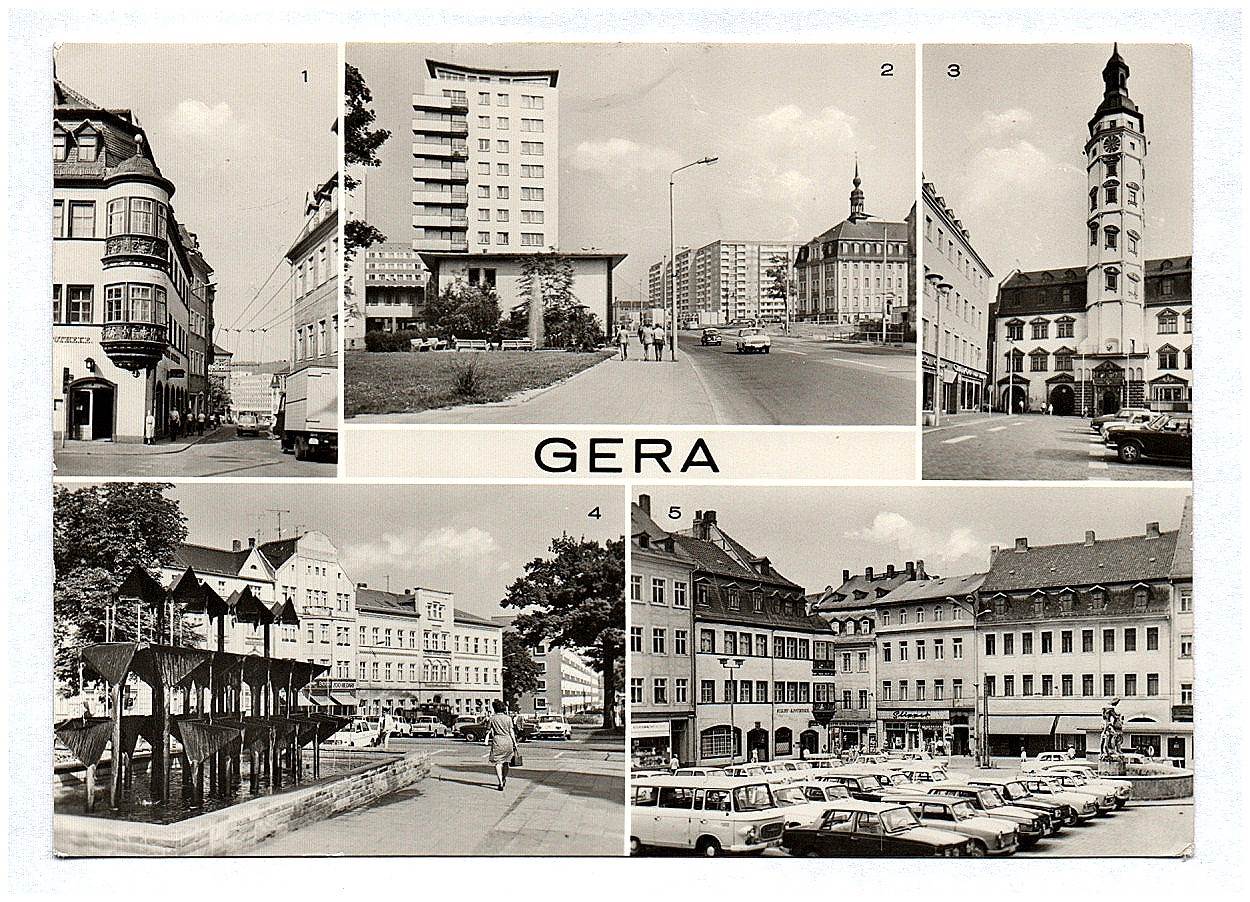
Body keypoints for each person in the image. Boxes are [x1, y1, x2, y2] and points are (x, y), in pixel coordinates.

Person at [484, 699, 519, 791]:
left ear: (494, 708)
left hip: (498, 741)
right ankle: (504, 778)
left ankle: (500, 782)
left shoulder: (492, 718)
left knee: (498, 763)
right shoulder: (508, 718)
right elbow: (511, 731)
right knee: (506, 762)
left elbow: (488, 730)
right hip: (508, 741)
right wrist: (515, 743)